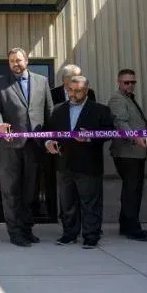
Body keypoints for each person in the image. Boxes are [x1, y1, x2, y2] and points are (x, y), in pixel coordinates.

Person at [0, 48, 53, 247]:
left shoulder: (41, 81)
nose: (15, 63)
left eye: (18, 60)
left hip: (34, 145)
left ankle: (27, 228)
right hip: (10, 145)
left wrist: (49, 138)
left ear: (27, 60)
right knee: (11, 190)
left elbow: (49, 110)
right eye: (11, 61)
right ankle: (15, 232)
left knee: (30, 190)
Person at [45, 76, 114, 249]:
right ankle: (69, 234)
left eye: (78, 90)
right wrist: (48, 142)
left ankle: (91, 236)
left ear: (86, 90)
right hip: (64, 163)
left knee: (90, 203)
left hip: (89, 165)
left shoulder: (100, 110)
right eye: (70, 90)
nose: (73, 94)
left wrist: (90, 136)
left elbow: (111, 132)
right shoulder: (58, 110)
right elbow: (48, 131)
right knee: (67, 203)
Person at [108, 69, 147, 241]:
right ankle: (132, 228)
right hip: (127, 152)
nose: (130, 85)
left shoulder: (128, 98)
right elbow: (120, 122)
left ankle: (126, 225)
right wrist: (136, 139)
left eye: (133, 82)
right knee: (132, 190)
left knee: (132, 189)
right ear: (119, 82)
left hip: (135, 152)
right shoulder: (117, 99)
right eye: (126, 82)